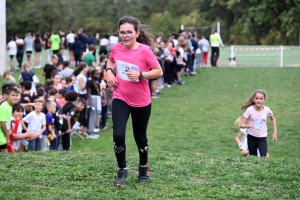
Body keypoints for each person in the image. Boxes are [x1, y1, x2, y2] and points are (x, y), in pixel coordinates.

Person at [106, 15, 163, 186]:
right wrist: (109, 72)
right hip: (120, 96)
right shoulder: (116, 48)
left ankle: (143, 165)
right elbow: (110, 60)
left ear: (137, 33)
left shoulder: (145, 51)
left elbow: (158, 71)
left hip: (141, 100)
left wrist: (141, 75)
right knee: (118, 134)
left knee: (140, 137)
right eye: (122, 32)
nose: (125, 35)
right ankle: (122, 169)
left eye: (129, 32)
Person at [240, 89, 277, 157]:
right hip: (251, 137)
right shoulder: (249, 110)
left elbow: (273, 119)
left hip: (262, 138)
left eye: (261, 99)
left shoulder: (267, 110)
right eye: (257, 98)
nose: (259, 100)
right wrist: (248, 125)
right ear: (254, 99)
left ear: (264, 100)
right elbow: (241, 125)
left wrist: (275, 132)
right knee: (253, 158)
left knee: (263, 156)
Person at [0, 87, 19, 152]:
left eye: (16, 95)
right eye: (13, 95)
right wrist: (7, 137)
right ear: (7, 96)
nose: (15, 97)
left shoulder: (10, 106)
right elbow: (2, 124)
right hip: (1, 138)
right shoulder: (4, 107)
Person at [86, 69, 101, 137]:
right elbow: (88, 93)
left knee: (96, 115)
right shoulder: (89, 82)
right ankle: (90, 131)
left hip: (97, 98)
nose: (98, 75)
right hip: (92, 98)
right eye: (96, 74)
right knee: (92, 115)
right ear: (92, 75)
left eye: (98, 74)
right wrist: (90, 103)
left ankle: (92, 130)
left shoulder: (96, 81)